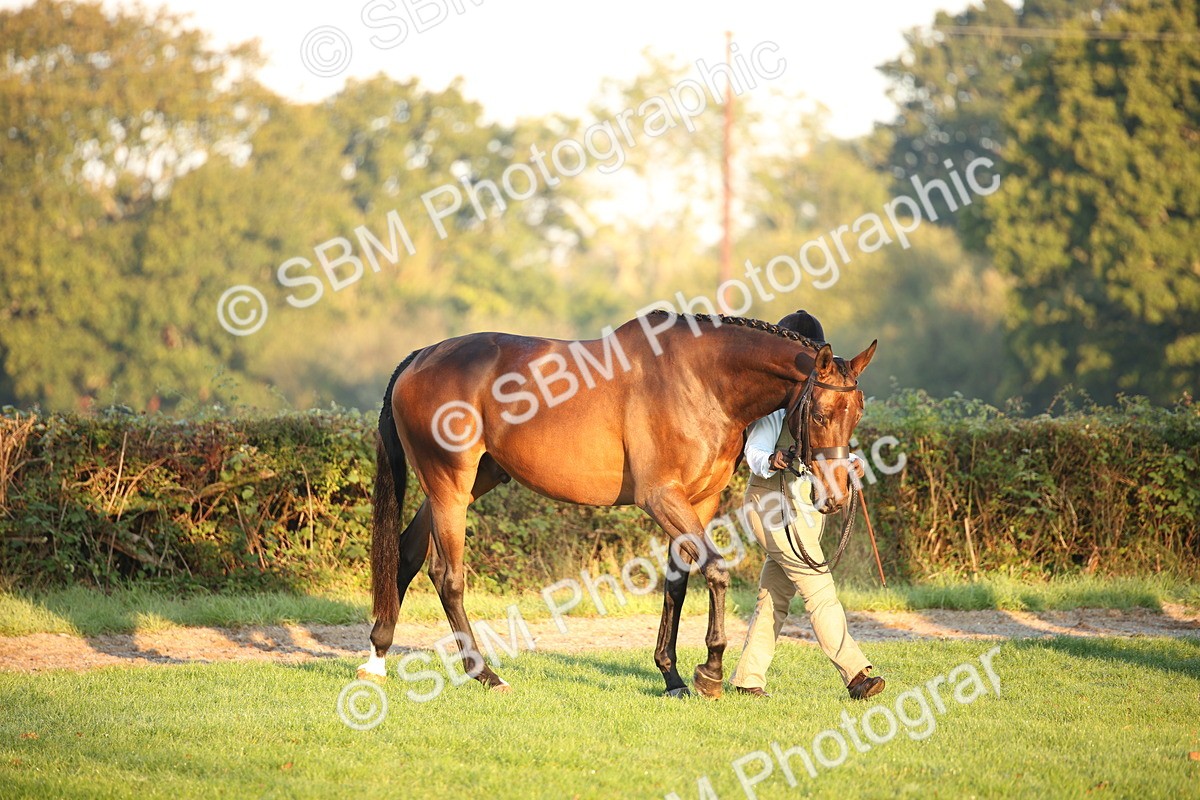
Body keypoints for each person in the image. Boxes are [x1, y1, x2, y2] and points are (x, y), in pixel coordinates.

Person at [729, 310, 885, 700]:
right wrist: (774, 459)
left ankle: (748, 678)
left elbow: (827, 443)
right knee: (819, 588)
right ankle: (855, 674)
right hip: (770, 503)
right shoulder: (776, 408)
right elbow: (754, 453)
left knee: (774, 598)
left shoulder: (819, 401)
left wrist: (852, 462)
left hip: (803, 510)